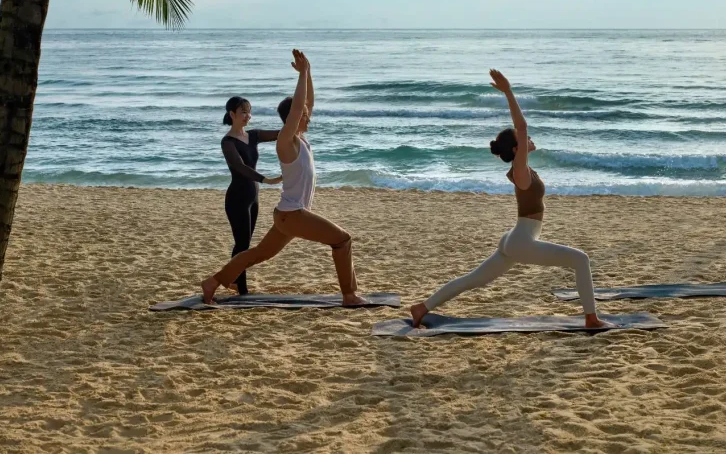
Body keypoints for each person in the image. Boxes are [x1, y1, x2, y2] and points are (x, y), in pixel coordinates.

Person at [409, 69, 612, 329]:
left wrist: (525, 143)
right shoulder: (519, 170)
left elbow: (523, 136)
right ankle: (591, 319)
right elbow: (522, 125)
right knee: (580, 259)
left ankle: (421, 308)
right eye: (523, 139)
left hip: (515, 239)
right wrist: (508, 92)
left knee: (472, 279)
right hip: (521, 241)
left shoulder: (522, 170)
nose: (528, 137)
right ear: (516, 150)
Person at [201, 50, 367, 306]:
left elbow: (306, 102)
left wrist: (308, 71)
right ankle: (350, 295)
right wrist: (300, 75)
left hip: (288, 215)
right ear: (295, 117)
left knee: (256, 254)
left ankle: (212, 282)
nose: (309, 115)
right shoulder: (286, 142)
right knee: (342, 240)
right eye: (304, 114)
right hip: (293, 214)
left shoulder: (300, 138)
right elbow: (299, 106)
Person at [219, 96, 281, 295]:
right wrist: (266, 179)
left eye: (249, 111)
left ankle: (234, 281)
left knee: (245, 243)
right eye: (243, 112)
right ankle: (241, 289)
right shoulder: (227, 142)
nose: (248, 116)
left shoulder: (253, 136)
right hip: (237, 198)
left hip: (253, 198)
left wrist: (296, 121)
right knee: (242, 244)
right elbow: (239, 166)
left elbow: (279, 135)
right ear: (232, 115)